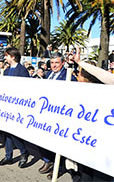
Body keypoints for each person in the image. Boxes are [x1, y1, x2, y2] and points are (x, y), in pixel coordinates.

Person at [39, 52, 77, 180]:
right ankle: (47, 160)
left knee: (57, 143)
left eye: (57, 63)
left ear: (62, 63)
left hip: (60, 115)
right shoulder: (48, 74)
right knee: (44, 139)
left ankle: (59, 168)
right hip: (47, 113)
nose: (54, 65)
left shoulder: (68, 76)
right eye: (52, 63)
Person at [0, 47, 29, 168]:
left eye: (6, 56)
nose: (5, 58)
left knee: (14, 133)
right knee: (5, 132)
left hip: (17, 107)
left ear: (13, 57)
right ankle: (8, 156)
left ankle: (23, 151)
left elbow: (26, 89)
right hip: (7, 106)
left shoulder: (23, 71)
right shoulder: (7, 70)